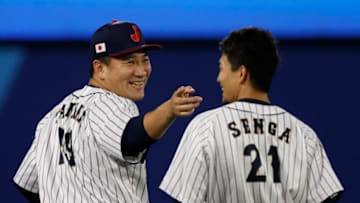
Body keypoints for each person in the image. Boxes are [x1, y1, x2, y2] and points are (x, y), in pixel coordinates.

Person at [13, 20, 203, 203]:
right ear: (100, 68)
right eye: (129, 62)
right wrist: (168, 110)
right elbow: (131, 138)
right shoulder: (110, 102)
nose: (141, 71)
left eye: (144, 60)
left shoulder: (52, 117)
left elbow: (28, 184)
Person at [160, 26, 344, 203]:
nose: (219, 78)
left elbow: (185, 197)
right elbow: (326, 197)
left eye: (222, 68)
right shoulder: (303, 135)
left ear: (241, 73)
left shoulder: (206, 127)